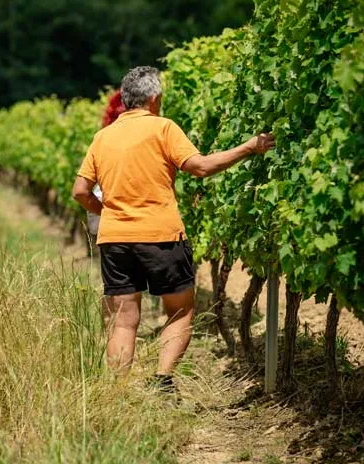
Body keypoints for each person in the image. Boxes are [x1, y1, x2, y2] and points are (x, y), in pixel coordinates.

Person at [71, 66, 275, 392]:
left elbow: (80, 192)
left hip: (115, 240)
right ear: (154, 98)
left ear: (126, 100)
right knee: (180, 312)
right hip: (161, 237)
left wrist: (109, 211)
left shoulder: (103, 137)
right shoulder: (163, 128)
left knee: (123, 320)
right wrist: (249, 147)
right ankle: (162, 382)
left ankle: (116, 392)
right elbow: (201, 167)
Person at [86, 90, 125, 250]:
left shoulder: (102, 139)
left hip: (110, 223)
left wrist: (105, 213)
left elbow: (80, 191)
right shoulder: (153, 136)